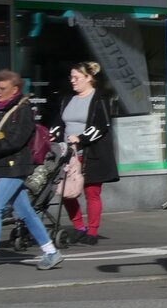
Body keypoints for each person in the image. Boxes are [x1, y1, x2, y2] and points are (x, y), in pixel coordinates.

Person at [0, 69, 62, 272]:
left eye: (2, 88)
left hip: (16, 166)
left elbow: (15, 141)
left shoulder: (23, 111)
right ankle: (51, 252)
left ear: (15, 90)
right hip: (2, 166)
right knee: (25, 212)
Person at [48, 61, 119, 246]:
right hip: (68, 153)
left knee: (91, 193)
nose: (72, 81)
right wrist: (52, 134)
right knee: (66, 191)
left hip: (90, 153)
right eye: (71, 77)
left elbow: (102, 125)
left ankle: (92, 231)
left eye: (76, 77)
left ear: (89, 78)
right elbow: (59, 121)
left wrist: (81, 138)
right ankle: (79, 227)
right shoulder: (68, 99)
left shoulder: (99, 99)